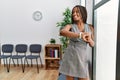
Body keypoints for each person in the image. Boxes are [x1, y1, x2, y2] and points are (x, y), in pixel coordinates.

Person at [58, 5, 94, 80]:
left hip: (82, 58)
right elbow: (62, 32)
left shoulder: (90, 27)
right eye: (73, 12)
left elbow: (92, 44)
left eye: (77, 12)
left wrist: (89, 39)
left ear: (83, 13)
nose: (74, 14)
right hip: (70, 57)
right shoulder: (70, 26)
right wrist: (80, 35)